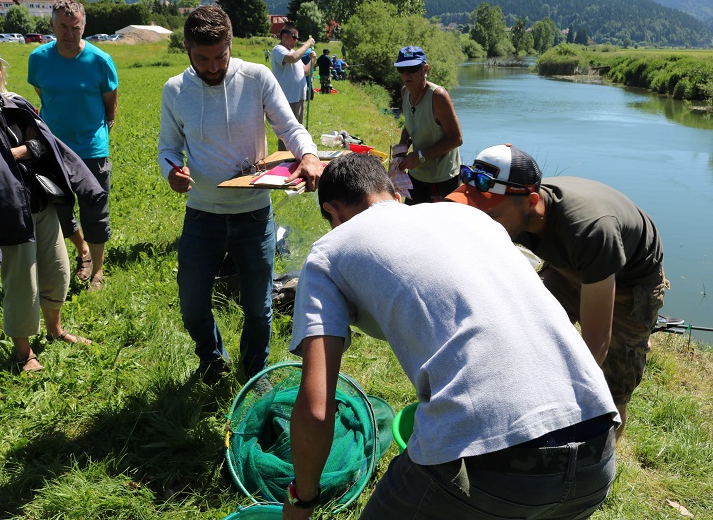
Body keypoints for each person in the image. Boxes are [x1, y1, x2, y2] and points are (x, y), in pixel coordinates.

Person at [284, 153, 619, 519]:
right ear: (394, 195)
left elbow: (316, 410)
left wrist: (302, 499)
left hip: (491, 464)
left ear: (333, 212)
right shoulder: (472, 217)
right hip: (597, 450)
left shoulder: (329, 251)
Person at [447, 143, 669, 439]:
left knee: (609, 385)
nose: (482, 224)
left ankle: (600, 458)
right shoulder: (512, 211)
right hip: (569, 264)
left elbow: (596, 342)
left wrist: (561, 399)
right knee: (526, 330)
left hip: (627, 281)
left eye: (492, 216)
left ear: (531, 202)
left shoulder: (590, 230)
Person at [157, 5, 322, 384]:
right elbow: (168, 147)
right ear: (186, 49)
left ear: (230, 44)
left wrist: (309, 155)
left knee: (259, 308)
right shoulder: (175, 90)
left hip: (254, 214)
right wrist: (172, 170)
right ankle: (212, 360)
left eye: (220, 56)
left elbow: (290, 127)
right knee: (192, 305)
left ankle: (254, 373)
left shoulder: (256, 77)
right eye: (202, 58)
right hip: (203, 215)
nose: (213, 67)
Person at [0, 43, 103, 371]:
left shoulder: (16, 103)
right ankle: (23, 353)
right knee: (22, 285)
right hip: (7, 213)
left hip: (41, 203)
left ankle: (55, 330)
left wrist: (21, 152)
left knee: (58, 272)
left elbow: (47, 144)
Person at [28, 0, 119, 291]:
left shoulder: (100, 61)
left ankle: (98, 271)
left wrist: (101, 129)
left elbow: (110, 104)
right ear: (52, 25)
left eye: (75, 27)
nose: (69, 33)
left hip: (92, 149)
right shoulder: (38, 59)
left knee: (96, 210)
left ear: (84, 26)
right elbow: (43, 95)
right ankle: (82, 250)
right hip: (53, 150)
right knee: (59, 209)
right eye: (63, 27)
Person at [391, 46, 463, 205]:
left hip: (442, 179)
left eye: (412, 69)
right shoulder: (405, 92)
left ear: (425, 69)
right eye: (402, 69)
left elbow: (456, 139)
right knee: (412, 219)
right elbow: (410, 124)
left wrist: (420, 156)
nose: (406, 74)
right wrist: (403, 146)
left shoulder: (438, 96)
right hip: (416, 175)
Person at [271, 26, 316, 151]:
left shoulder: (293, 52)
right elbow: (293, 58)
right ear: (284, 36)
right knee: (287, 132)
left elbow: (305, 72)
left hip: (298, 98)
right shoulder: (279, 50)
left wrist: (313, 60)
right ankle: (283, 158)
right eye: (294, 37)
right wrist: (308, 43)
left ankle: (294, 156)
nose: (296, 40)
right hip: (287, 99)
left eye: (297, 38)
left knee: (297, 132)